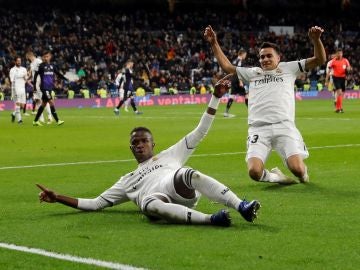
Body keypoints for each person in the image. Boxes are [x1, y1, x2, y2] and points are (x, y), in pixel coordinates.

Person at [37, 75, 261, 227]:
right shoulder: (127, 181)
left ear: (153, 144)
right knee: (150, 204)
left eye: (144, 141)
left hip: (179, 189)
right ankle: (212, 219)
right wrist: (58, 198)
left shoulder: (171, 154)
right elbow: (94, 203)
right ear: (131, 148)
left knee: (189, 174)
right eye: (136, 143)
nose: (140, 145)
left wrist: (215, 97)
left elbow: (200, 131)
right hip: (157, 201)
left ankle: (241, 205)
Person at [204, 25, 326, 184]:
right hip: (258, 128)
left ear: (278, 58)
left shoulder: (289, 68)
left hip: (284, 126)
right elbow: (227, 67)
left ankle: (303, 175)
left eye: (269, 56)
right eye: (262, 57)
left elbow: (320, 60)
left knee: (298, 170)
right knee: (254, 172)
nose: (265, 59)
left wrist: (316, 40)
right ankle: (277, 178)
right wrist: (214, 43)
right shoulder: (253, 73)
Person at [32, 50, 67, 126]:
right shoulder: (41, 66)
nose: (45, 58)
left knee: (43, 104)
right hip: (44, 87)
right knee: (51, 102)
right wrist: (34, 86)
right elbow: (35, 76)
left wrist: (66, 79)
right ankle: (57, 120)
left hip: (50, 87)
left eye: (47, 56)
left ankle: (35, 121)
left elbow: (58, 73)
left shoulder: (52, 66)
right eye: (44, 57)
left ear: (50, 57)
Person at [26, 51, 53, 124]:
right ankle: (41, 119)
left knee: (44, 100)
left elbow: (43, 70)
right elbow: (33, 74)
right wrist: (27, 78)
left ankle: (50, 117)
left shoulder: (38, 61)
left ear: (29, 56)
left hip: (40, 83)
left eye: (27, 58)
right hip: (35, 84)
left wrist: (42, 81)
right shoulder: (31, 64)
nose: (27, 60)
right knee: (37, 100)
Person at [325, 48, 351, 113]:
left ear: (342, 54)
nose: (339, 54)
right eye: (338, 53)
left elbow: (349, 68)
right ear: (336, 54)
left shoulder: (345, 60)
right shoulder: (332, 62)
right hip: (335, 78)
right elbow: (329, 71)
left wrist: (348, 70)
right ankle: (338, 108)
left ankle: (339, 108)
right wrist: (326, 80)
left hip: (343, 79)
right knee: (338, 93)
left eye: (341, 53)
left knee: (341, 94)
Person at [224, 49, 248, 118]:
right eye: (245, 55)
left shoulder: (234, 60)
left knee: (232, 96)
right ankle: (251, 113)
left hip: (233, 80)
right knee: (246, 96)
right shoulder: (240, 61)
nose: (245, 56)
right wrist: (240, 81)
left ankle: (226, 112)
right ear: (242, 54)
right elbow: (239, 71)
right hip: (238, 81)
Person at [9, 56, 28, 124]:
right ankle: (19, 120)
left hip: (22, 88)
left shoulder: (24, 69)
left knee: (22, 106)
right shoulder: (12, 70)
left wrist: (26, 78)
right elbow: (12, 80)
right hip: (15, 89)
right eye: (18, 61)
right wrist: (20, 76)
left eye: (20, 61)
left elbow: (26, 78)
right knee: (17, 104)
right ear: (15, 61)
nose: (19, 62)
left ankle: (14, 114)